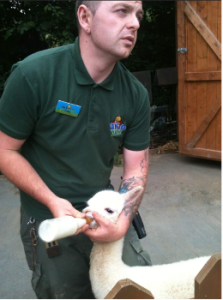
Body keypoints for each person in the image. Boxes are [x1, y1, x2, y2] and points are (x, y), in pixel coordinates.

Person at [0, 1, 151, 299]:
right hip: (48, 215)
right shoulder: (34, 75)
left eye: (138, 15)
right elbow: (5, 151)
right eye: (122, 11)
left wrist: (121, 223)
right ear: (85, 17)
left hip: (105, 209)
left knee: (137, 291)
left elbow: (135, 170)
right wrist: (53, 201)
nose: (134, 23)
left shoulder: (135, 94)